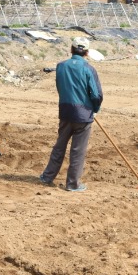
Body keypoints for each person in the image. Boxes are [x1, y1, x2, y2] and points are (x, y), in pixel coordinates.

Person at [40, 37, 103, 192]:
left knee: (59, 145)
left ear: (71, 49)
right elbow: (96, 94)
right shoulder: (89, 69)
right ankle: (72, 184)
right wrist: (94, 109)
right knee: (78, 150)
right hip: (83, 114)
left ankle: (47, 177)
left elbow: (60, 87)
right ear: (87, 52)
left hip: (65, 110)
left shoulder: (61, 66)